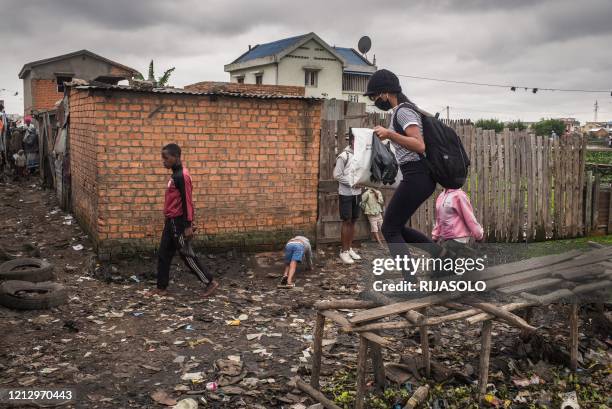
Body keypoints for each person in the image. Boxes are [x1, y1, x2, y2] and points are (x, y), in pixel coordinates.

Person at [364, 69, 442, 278]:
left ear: (386, 93)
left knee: (389, 228)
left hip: (418, 176)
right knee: (395, 226)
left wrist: (390, 134)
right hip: (416, 176)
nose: (374, 100)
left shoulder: (403, 112)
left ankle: (411, 280)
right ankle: (440, 254)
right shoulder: (401, 111)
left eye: (374, 96)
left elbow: (419, 145)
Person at [153, 143, 219, 297]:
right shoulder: (174, 175)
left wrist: (188, 225)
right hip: (171, 222)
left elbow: (187, 201)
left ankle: (210, 282)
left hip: (179, 223)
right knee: (163, 254)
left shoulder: (182, 176)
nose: (163, 161)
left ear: (175, 157)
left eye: (166, 158)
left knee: (186, 254)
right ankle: (161, 287)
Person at [333, 132, 362, 264]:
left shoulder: (360, 156)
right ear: (351, 141)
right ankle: (343, 252)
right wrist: (352, 182)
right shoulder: (343, 156)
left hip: (357, 193)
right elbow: (337, 175)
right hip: (346, 194)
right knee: (347, 221)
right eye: (357, 141)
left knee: (354, 220)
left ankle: (349, 248)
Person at [431, 188, 483, 257]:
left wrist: (479, 235)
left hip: (458, 238)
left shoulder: (459, 196)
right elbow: (439, 219)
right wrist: (435, 237)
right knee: (440, 261)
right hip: (445, 238)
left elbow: (470, 218)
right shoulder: (441, 196)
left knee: (439, 260)